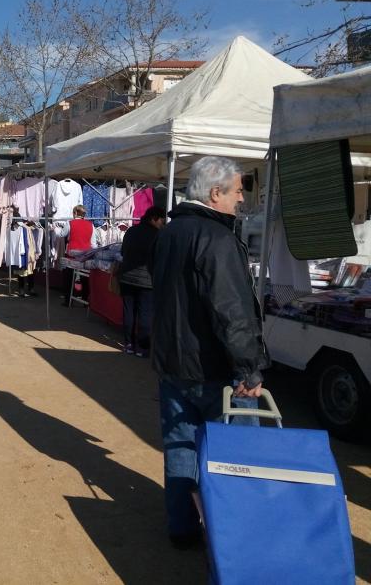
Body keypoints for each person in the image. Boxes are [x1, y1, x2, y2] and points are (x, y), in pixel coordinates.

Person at [151, 156, 270, 550]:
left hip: (174, 363)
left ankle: (182, 526)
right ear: (215, 193)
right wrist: (249, 369)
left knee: (181, 449)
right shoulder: (215, 238)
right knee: (238, 455)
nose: (241, 197)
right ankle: (235, 536)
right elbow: (231, 310)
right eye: (237, 190)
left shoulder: (170, 231)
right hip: (213, 370)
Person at [118, 206, 166, 358]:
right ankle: (142, 347)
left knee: (128, 311)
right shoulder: (158, 235)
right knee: (145, 313)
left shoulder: (131, 231)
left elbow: (122, 252)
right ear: (154, 218)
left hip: (126, 277)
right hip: (147, 281)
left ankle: (129, 344)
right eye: (161, 221)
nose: (162, 224)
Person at [62, 205, 94, 305]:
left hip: (72, 255)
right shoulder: (91, 225)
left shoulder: (69, 223)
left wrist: (54, 229)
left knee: (69, 277)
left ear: (75, 213)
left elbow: (62, 234)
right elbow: (93, 242)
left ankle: (68, 301)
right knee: (85, 278)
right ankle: (85, 300)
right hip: (86, 255)